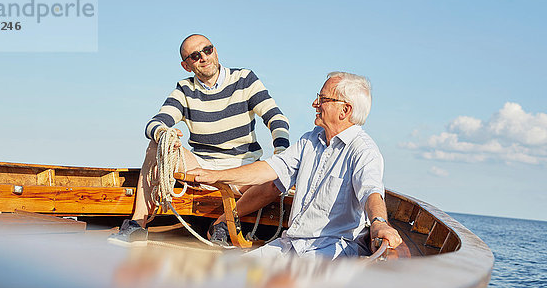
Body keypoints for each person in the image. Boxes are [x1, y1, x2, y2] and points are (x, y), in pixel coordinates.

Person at [188, 72, 403, 259]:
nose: (314, 104)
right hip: (289, 246)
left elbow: (371, 192)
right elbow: (269, 170)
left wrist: (379, 222)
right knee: (226, 274)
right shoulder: (310, 139)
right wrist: (215, 175)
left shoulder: (363, 150)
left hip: (329, 252)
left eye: (322, 99)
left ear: (345, 110)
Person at [110, 34, 290, 244]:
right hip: (201, 169)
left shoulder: (244, 79)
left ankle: (222, 223)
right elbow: (154, 124)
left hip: (242, 170)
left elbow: (276, 118)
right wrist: (164, 135)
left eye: (207, 49)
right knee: (156, 145)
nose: (204, 57)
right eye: (195, 56)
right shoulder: (184, 90)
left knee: (277, 178)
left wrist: (281, 154)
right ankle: (136, 226)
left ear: (215, 50)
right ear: (186, 65)